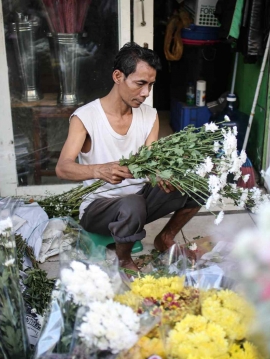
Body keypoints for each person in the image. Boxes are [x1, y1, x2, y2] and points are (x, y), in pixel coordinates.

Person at [55, 42, 201, 271]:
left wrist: (162, 175)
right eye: (140, 83)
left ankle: (165, 238)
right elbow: (63, 168)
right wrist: (97, 170)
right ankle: (124, 259)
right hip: (98, 208)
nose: (146, 93)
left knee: (195, 185)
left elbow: (152, 162)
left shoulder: (150, 116)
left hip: (140, 200)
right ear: (118, 76)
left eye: (151, 85)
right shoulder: (85, 117)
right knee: (133, 204)